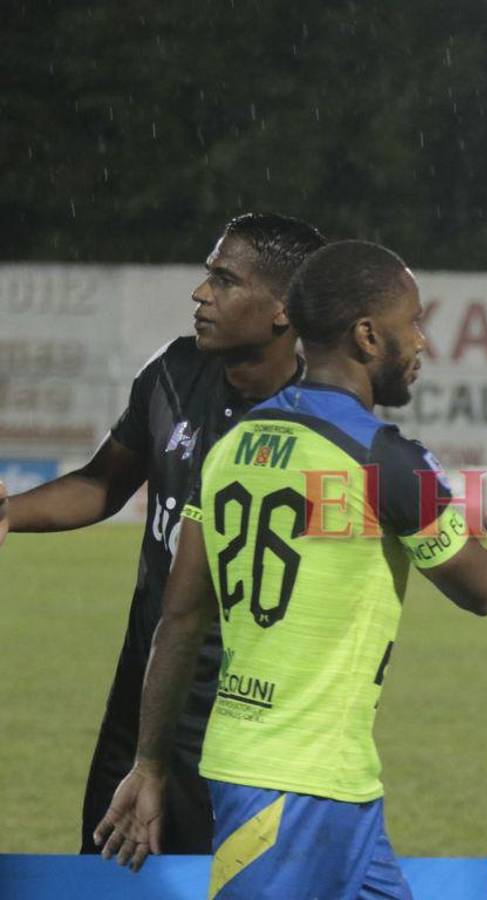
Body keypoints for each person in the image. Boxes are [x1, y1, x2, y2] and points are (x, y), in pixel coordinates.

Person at [93, 240, 487, 898]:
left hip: (332, 782)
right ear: (367, 336)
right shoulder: (386, 460)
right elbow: (485, 587)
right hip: (292, 788)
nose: (422, 342)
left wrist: (151, 763)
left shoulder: (232, 444)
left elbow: (182, 616)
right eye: (412, 323)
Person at [0, 212, 326, 854]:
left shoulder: (321, 422)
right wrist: (9, 513)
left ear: (283, 309)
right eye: (208, 274)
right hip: (144, 695)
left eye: (224, 280)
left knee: (225, 883)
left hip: (246, 718)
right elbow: (102, 484)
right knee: (110, 871)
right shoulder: (175, 372)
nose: (201, 294)